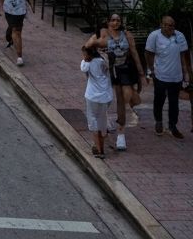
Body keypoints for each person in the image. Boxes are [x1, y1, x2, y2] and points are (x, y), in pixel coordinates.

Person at [99, 13, 146, 150]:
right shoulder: (104, 34)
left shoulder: (126, 34)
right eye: (113, 20)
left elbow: (134, 52)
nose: (115, 23)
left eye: (118, 20)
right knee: (105, 100)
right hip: (109, 70)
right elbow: (91, 46)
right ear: (108, 22)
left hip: (124, 69)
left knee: (124, 98)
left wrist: (141, 72)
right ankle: (105, 123)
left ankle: (121, 132)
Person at [144, 14, 191, 139]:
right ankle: (158, 121)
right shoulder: (154, 36)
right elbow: (148, 53)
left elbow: (185, 55)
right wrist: (151, 70)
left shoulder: (179, 36)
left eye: (173, 26)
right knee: (159, 100)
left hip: (176, 77)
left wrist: (187, 73)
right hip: (160, 75)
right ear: (162, 25)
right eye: (168, 25)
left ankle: (173, 126)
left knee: (174, 102)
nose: (171, 28)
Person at [82, 35, 113, 158]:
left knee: (93, 121)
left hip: (92, 97)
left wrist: (85, 57)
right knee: (102, 120)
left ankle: (99, 149)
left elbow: (83, 67)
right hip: (106, 96)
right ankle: (100, 146)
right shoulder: (103, 61)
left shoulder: (87, 64)